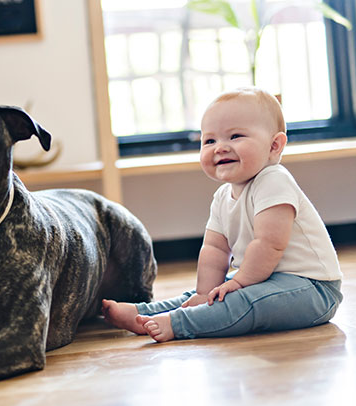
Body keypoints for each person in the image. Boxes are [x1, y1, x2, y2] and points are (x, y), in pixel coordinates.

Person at [102, 87, 343, 342]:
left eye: (235, 136)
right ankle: (145, 314)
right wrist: (206, 293)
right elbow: (215, 249)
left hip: (312, 289)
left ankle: (178, 323)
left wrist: (238, 283)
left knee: (241, 300)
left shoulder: (274, 181)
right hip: (262, 279)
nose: (220, 148)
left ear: (274, 146)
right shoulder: (222, 197)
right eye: (210, 141)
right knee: (211, 294)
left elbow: (269, 244)